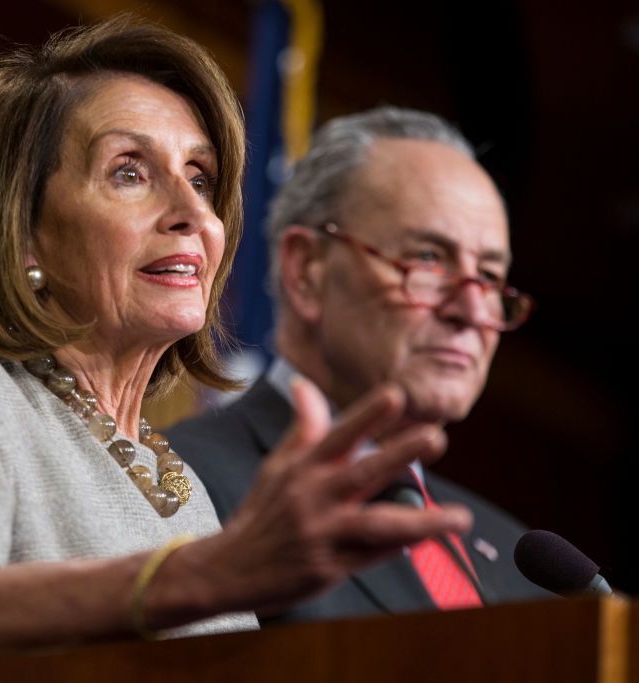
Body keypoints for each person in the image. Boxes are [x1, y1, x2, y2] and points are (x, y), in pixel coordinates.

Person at [0, 19, 474, 682]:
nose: (191, 213)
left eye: (200, 178)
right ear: (23, 233)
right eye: (129, 172)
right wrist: (213, 572)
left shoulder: (180, 485)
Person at [169, 106, 552, 624]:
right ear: (307, 270)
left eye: (488, 276)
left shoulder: (524, 559)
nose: (471, 311)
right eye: (428, 260)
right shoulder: (184, 486)